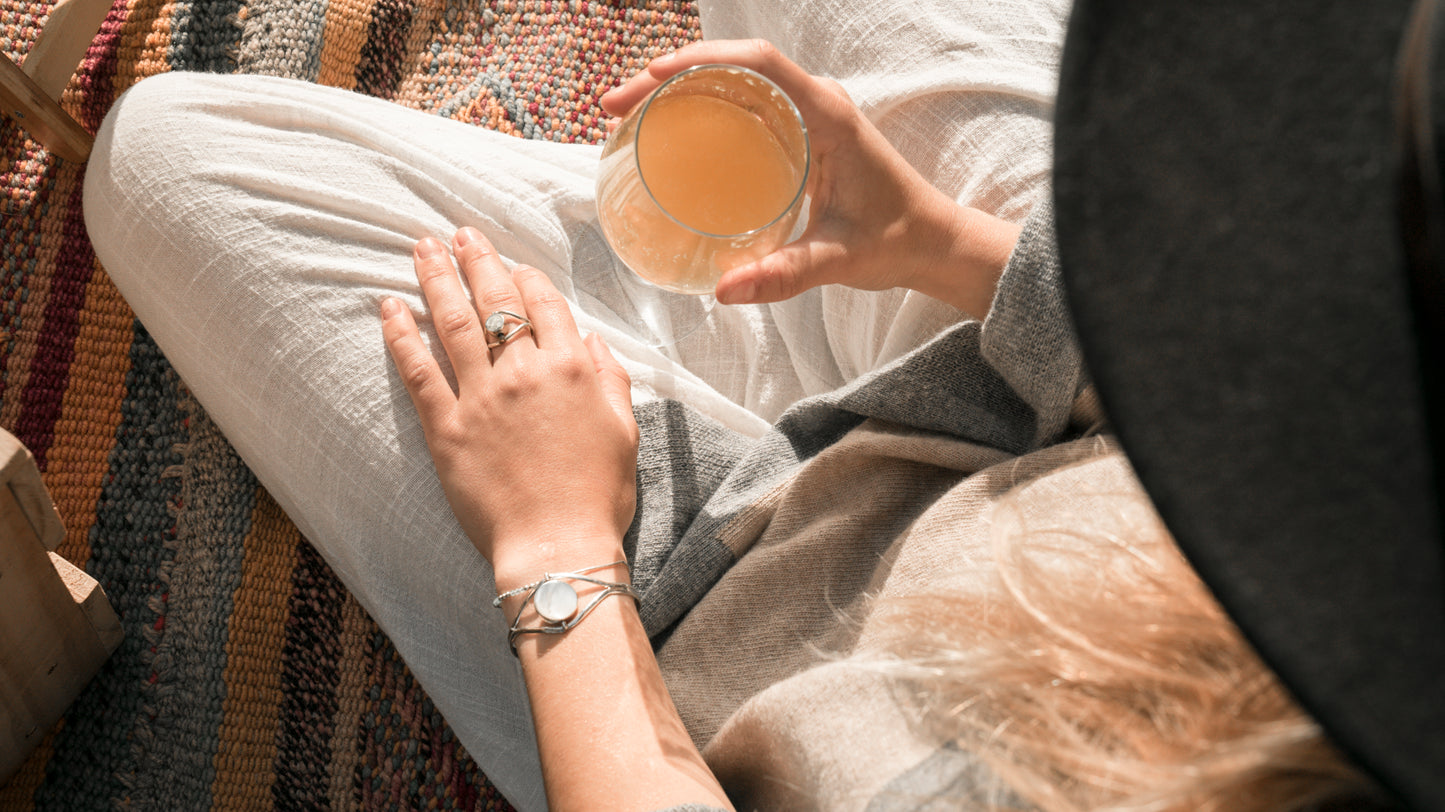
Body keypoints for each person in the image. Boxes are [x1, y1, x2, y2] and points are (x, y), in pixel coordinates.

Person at [81, 0, 1435, 808]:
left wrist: (553, 547)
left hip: (683, 607)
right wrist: (936, 241)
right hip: (993, 377)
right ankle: (623, 265)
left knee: (164, 155)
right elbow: (1229, 378)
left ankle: (592, 279)